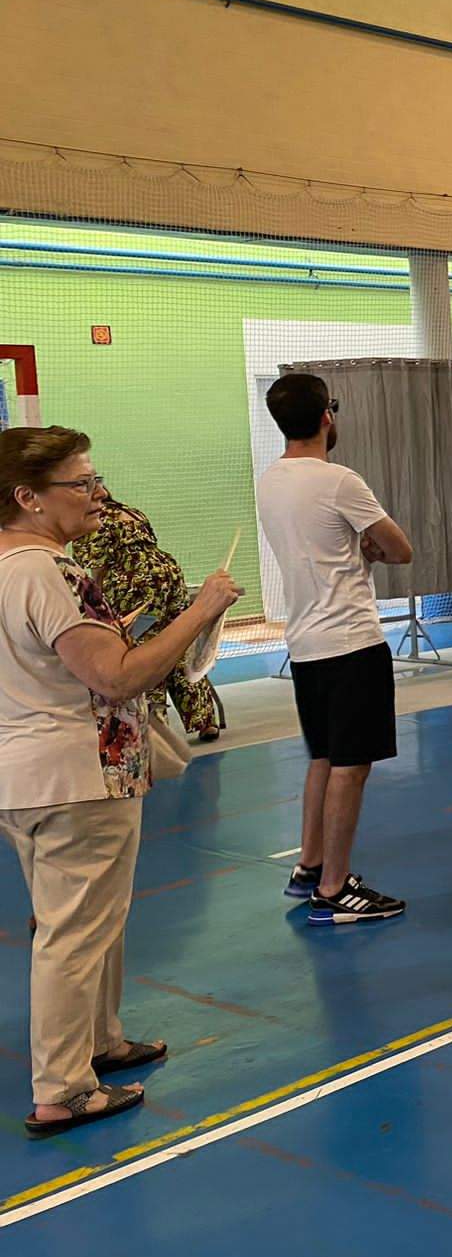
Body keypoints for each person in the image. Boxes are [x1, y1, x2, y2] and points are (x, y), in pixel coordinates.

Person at [1, 426, 241, 1136]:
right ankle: (63, 1087)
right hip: (75, 777)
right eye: (79, 484)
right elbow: (116, 675)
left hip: (27, 776)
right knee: (74, 935)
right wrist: (198, 612)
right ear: (29, 499)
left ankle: (98, 1041)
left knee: (82, 921)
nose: (96, 495)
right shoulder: (51, 573)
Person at [256, 373, 412, 924]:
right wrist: (367, 546)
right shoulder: (341, 481)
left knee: (323, 757)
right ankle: (334, 888)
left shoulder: (268, 480)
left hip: (304, 644)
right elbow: (399, 549)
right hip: (351, 640)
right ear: (327, 416)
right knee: (351, 766)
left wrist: (354, 547)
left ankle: (309, 865)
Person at [72, 486, 226, 741]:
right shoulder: (131, 513)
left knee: (144, 648)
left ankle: (157, 724)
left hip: (134, 582)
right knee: (180, 642)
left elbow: (97, 568)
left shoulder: (92, 521)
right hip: (169, 573)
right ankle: (204, 719)